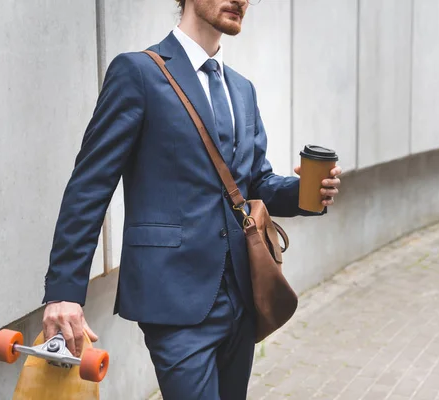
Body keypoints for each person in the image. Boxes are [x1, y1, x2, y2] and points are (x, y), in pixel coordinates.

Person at [41, 0, 342, 398]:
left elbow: (255, 183)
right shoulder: (138, 73)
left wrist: (306, 194)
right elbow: (89, 186)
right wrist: (64, 291)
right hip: (175, 301)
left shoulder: (242, 89)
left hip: (242, 298)